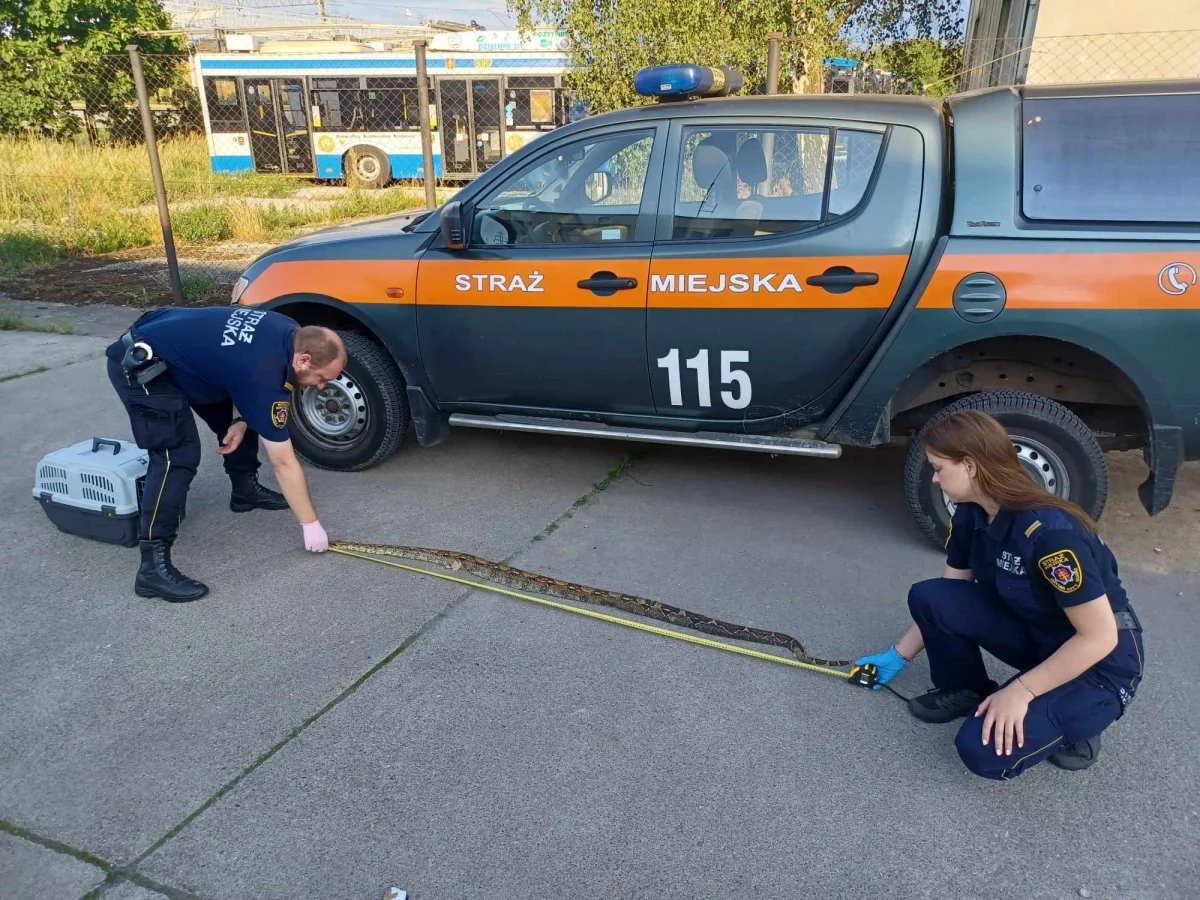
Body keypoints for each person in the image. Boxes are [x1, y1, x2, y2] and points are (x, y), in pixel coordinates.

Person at [855, 409, 1145, 779]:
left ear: (971, 466)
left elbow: (1100, 636)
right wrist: (896, 658)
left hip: (1098, 659)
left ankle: (1080, 721)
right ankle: (967, 689)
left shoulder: (1051, 535)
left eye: (939, 468)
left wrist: (1021, 691)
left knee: (983, 752)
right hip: (1040, 634)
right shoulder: (971, 513)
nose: (936, 478)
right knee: (932, 596)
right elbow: (950, 594)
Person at [106, 306, 346, 602]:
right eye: (322, 378)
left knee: (249, 418)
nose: (322, 387)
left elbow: (240, 378)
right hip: (142, 364)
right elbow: (283, 462)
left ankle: (244, 491)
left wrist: (239, 419)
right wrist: (310, 525)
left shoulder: (289, 332)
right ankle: (151, 568)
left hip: (185, 354)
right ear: (304, 359)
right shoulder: (264, 371)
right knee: (176, 455)